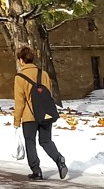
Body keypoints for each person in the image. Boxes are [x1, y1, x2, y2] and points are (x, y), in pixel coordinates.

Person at [13, 45, 68, 180]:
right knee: (46, 140)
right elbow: (47, 93)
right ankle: (58, 158)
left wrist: (16, 121)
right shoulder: (43, 74)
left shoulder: (19, 77)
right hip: (45, 114)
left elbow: (20, 101)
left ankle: (36, 170)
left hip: (29, 116)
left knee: (30, 141)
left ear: (21, 60)